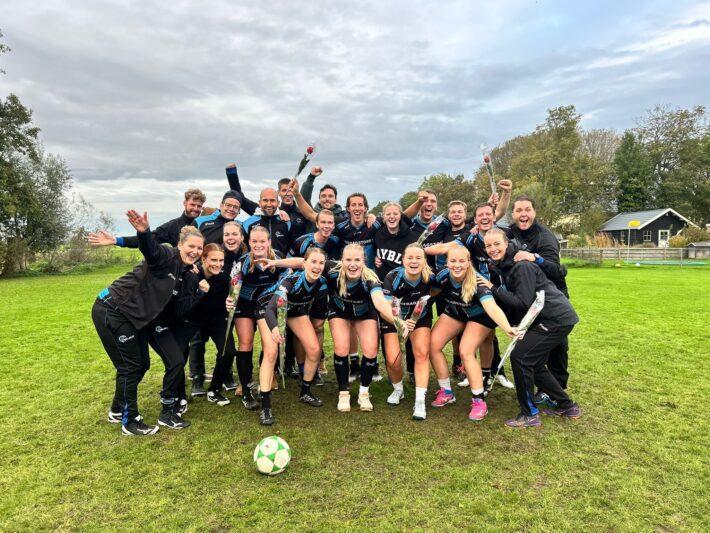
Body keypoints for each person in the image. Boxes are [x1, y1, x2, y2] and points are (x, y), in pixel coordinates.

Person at [91, 211, 204, 436]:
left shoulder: (184, 270)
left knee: (141, 365)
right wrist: (143, 233)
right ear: (180, 244)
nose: (195, 251)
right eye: (191, 246)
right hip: (112, 309)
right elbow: (150, 249)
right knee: (130, 366)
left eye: (199, 249)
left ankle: (116, 409)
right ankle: (130, 420)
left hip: (132, 317)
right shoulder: (167, 255)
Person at [481, 228, 581, 428]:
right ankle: (567, 406)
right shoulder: (506, 265)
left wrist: (493, 288)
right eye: (488, 246)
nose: (492, 249)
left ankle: (529, 414)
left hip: (555, 318)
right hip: (550, 318)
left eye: (497, 244)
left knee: (521, 358)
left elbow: (522, 302)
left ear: (507, 244)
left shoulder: (521, 266)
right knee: (533, 364)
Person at [428, 246, 517, 422]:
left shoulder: (477, 283)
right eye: (453, 261)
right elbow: (430, 291)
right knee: (432, 345)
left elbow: (491, 307)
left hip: (481, 316)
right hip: (457, 311)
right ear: (447, 262)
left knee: (466, 351)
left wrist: (507, 328)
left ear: (469, 262)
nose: (457, 265)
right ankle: (446, 391)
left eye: (462, 261)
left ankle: (479, 401)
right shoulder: (442, 276)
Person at [247, 247, 330, 425]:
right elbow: (270, 309)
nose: (317, 266)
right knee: (271, 352)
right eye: (313, 262)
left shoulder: (322, 282)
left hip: (293, 309)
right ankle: (266, 407)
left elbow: (318, 317)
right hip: (267, 308)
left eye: (321, 263)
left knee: (314, 350)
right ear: (304, 263)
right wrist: (275, 328)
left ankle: (305, 392)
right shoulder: (291, 281)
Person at [505, 195, 571, 398]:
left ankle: (556, 388)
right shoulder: (509, 233)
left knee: (557, 345)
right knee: (530, 343)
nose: (523, 214)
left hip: (552, 297)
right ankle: (535, 382)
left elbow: (558, 272)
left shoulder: (546, 237)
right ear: (513, 214)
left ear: (534, 212)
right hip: (526, 298)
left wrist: (535, 258)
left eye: (527, 210)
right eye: (518, 210)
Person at [232, 226, 287, 418]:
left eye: (262, 241)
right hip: (245, 305)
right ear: (248, 242)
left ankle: (267, 384)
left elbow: (290, 275)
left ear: (269, 242)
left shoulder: (278, 258)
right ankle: (246, 390)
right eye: (254, 241)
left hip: (266, 305)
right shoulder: (243, 262)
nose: (258, 245)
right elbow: (233, 287)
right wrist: (229, 298)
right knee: (245, 342)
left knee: (270, 346)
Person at [188, 222, 247, 397]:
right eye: (214, 260)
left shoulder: (223, 278)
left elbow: (227, 296)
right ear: (203, 259)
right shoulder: (193, 275)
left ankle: (215, 386)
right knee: (197, 344)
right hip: (196, 319)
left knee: (229, 352)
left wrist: (228, 302)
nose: (218, 264)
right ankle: (197, 379)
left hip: (217, 319)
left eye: (221, 261)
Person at [380, 243, 433, 420]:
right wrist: (401, 323)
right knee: (393, 359)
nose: (414, 261)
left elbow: (439, 290)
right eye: (410, 257)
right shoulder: (392, 277)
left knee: (422, 353)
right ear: (403, 260)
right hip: (394, 318)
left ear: (425, 261)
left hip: (419, 319)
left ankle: (420, 400)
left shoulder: (430, 278)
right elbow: (385, 308)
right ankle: (398, 390)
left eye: (418, 258)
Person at [87, 188, 206, 248]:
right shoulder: (173, 226)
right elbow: (147, 239)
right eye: (192, 205)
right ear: (185, 203)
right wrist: (117, 240)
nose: (195, 208)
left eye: (199, 206)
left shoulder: (207, 223)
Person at [242, 188, 292, 255]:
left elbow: (290, 248)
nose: (269, 204)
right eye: (265, 200)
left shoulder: (286, 221)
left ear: (278, 203)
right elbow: (243, 249)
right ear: (259, 203)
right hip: (256, 263)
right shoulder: (248, 223)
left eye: (272, 200)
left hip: (280, 264)